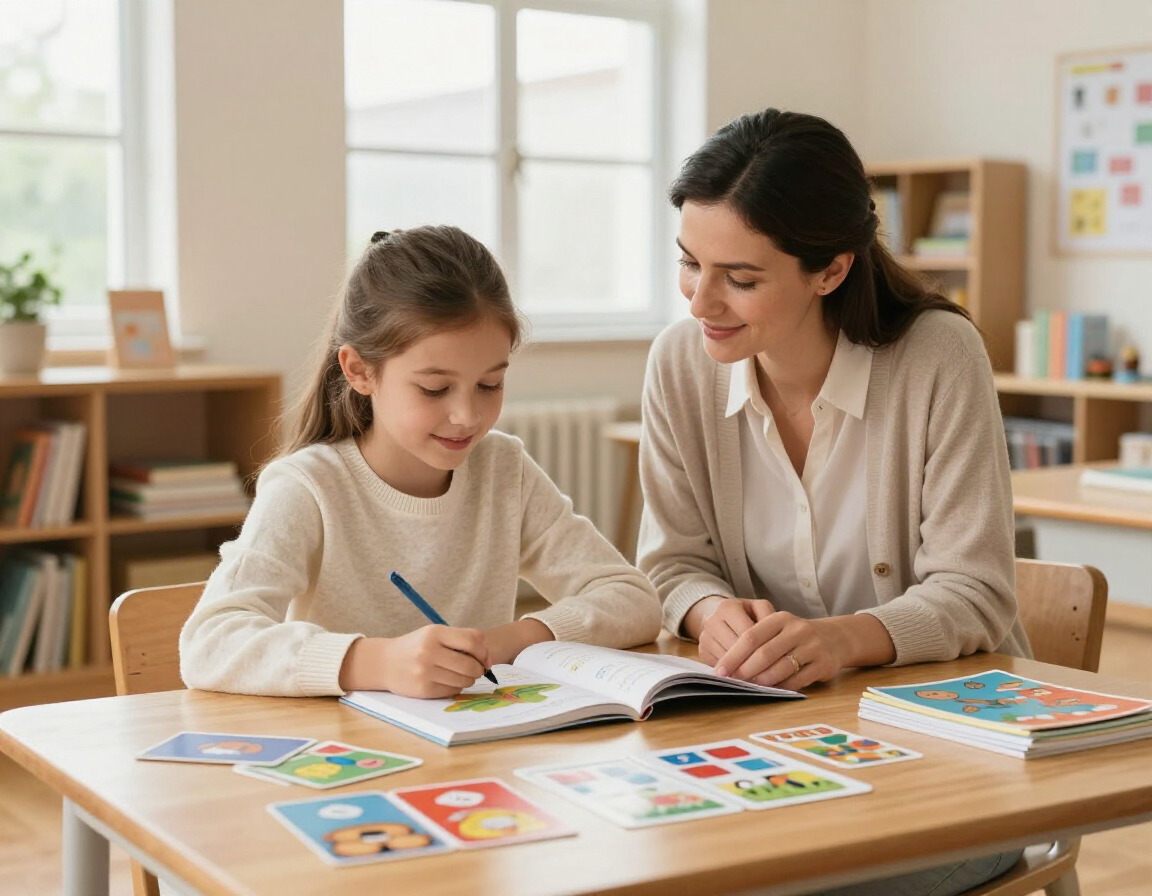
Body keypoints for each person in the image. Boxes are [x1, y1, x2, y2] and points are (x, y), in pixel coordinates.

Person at [637, 109, 1029, 896]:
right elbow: (671, 562)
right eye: (690, 264)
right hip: (778, 750)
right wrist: (710, 613)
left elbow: (978, 592)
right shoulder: (681, 363)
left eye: (740, 279)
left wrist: (843, 640)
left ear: (831, 270)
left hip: (956, 766)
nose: (700, 302)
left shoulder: (937, 357)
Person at [181, 225, 661, 699]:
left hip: (476, 750)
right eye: (434, 389)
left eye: (490, 384)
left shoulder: (502, 469)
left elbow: (633, 599)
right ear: (360, 371)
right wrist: (380, 662)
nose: (468, 415)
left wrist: (511, 641)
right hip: (353, 757)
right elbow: (209, 643)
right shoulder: (308, 487)